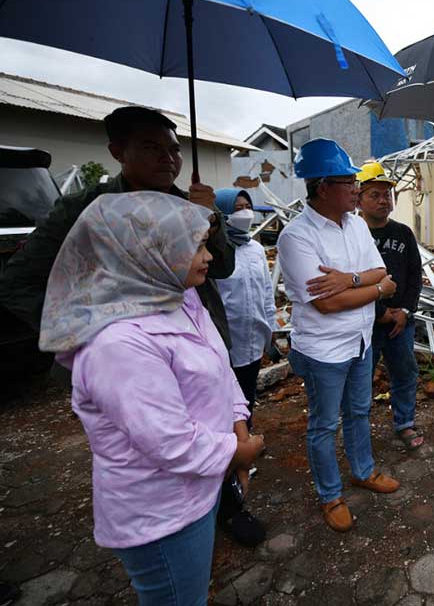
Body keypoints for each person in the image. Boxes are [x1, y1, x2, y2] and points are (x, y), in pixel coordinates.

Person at [38, 192, 265, 605]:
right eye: (195, 245)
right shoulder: (117, 342)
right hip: (163, 511)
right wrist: (240, 452)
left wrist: (239, 427)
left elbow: (220, 370)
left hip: (201, 483)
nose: (209, 256)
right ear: (148, 251)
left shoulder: (180, 296)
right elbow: (169, 440)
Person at [0, 106, 235, 348]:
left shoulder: (192, 206)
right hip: (127, 362)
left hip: (199, 349)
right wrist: (86, 334)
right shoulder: (83, 211)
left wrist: (211, 219)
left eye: (175, 149)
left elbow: (223, 268)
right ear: (118, 152)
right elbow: (17, 283)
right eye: (151, 148)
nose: (168, 158)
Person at [277, 139, 400, 532]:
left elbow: (381, 272)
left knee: (360, 411)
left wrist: (350, 281)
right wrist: (378, 291)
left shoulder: (355, 225)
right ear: (323, 187)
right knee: (325, 424)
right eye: (349, 182)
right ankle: (330, 495)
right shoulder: (296, 238)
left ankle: (362, 469)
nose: (357, 190)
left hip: (360, 342)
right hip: (324, 350)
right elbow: (327, 304)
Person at [355, 161, 425, 451]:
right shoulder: (353, 234)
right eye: (375, 194)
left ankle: (404, 423)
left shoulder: (403, 233)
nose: (384, 200)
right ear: (358, 198)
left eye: (388, 194)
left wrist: (405, 312)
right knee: (360, 379)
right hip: (365, 324)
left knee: (405, 372)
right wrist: (381, 313)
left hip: (401, 323)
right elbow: (351, 283)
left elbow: (414, 276)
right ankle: (358, 430)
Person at [214, 188, 277, 422]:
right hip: (226, 340)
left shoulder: (256, 249)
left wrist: (271, 329)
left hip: (254, 336)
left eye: (247, 207)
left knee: (247, 394)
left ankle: (246, 436)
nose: (245, 213)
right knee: (224, 397)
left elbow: (266, 292)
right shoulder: (217, 253)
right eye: (237, 208)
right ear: (222, 214)